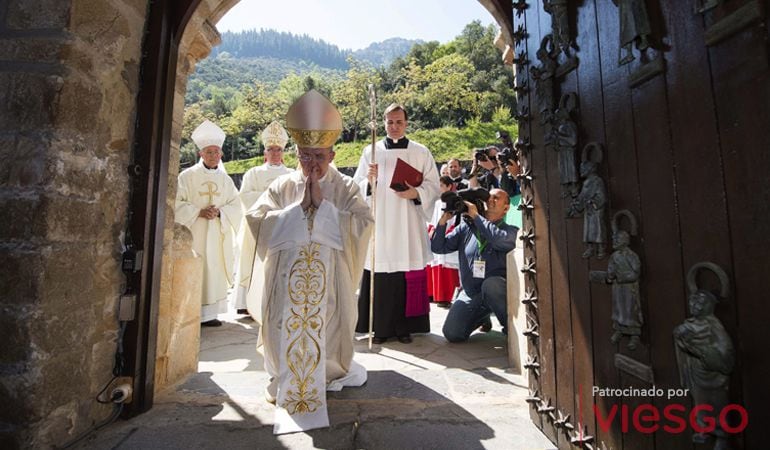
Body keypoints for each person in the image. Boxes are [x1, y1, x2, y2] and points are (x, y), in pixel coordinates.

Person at [244, 90, 374, 434]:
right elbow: (256, 220)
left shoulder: (346, 187)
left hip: (331, 282)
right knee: (280, 326)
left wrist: (327, 210)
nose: (311, 164)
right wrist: (294, 212)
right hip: (284, 280)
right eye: (304, 156)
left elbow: (364, 223)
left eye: (319, 155)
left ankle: (327, 372)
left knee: (330, 324)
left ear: (333, 153)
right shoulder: (282, 185)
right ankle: (284, 371)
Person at [354, 103, 441, 344]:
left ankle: (405, 328)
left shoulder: (420, 152)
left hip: (408, 222)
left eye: (399, 122)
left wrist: (416, 193)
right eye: (390, 122)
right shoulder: (370, 152)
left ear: (406, 123)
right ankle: (380, 329)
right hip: (381, 223)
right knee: (381, 273)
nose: (394, 126)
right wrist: (369, 181)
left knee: (405, 273)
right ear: (383, 123)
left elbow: (434, 185)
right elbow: (356, 187)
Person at [174, 120, 242, 327]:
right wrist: (198, 212)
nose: (214, 155)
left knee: (214, 268)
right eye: (209, 152)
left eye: (217, 152)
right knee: (197, 267)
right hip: (195, 231)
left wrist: (220, 212)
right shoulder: (186, 177)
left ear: (221, 154)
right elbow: (177, 202)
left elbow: (236, 204)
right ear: (200, 154)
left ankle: (210, 314)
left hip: (216, 232)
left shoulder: (225, 179)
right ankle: (191, 312)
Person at [431, 189, 518, 342]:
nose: (490, 200)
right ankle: (480, 317)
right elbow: (438, 247)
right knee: (452, 333)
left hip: (497, 292)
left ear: (506, 208)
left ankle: (510, 329)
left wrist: (477, 217)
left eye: (496, 198)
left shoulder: (510, 230)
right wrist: (444, 219)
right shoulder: (467, 228)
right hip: (471, 292)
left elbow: (497, 240)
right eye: (488, 197)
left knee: (491, 284)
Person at [229, 121, 293, 315]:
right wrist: (268, 199)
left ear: (283, 152)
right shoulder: (253, 173)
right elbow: (245, 197)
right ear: (265, 153)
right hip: (257, 225)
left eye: (278, 149)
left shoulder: (292, 174)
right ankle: (248, 303)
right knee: (252, 263)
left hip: (282, 226)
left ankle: (278, 302)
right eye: (270, 149)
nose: (275, 153)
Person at [427, 176, 461, 308]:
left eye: (441, 185)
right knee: (435, 264)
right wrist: (431, 230)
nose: (438, 188)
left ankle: (445, 296)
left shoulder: (455, 201)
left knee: (447, 267)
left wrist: (448, 232)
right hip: (437, 235)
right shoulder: (435, 202)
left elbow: (457, 221)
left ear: (449, 186)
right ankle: (435, 294)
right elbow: (430, 220)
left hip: (448, 237)